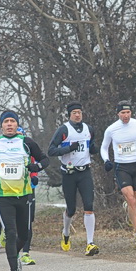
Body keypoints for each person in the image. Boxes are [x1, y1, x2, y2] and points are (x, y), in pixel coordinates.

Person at [0, 110, 48, 271]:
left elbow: (45, 159)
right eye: (6, 121)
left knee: (24, 235)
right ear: (1, 125)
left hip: (23, 194)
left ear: (17, 124)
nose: (9, 124)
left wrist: (37, 166)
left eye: (12, 121)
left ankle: (14, 254)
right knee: (10, 232)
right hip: (3, 196)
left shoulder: (26, 142)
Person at [48, 101, 100, 256]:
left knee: (89, 205)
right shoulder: (64, 130)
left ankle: (90, 243)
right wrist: (68, 148)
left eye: (79, 112)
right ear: (69, 115)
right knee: (71, 209)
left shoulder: (88, 129)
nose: (77, 115)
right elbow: (51, 150)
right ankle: (65, 233)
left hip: (85, 172)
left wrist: (94, 149)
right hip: (69, 173)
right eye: (74, 113)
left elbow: (91, 146)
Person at [101, 100, 136, 243]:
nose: (126, 115)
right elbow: (104, 147)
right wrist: (106, 160)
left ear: (131, 112)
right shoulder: (111, 129)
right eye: (123, 112)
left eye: (128, 112)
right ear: (118, 114)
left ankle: (129, 207)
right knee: (131, 199)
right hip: (122, 167)